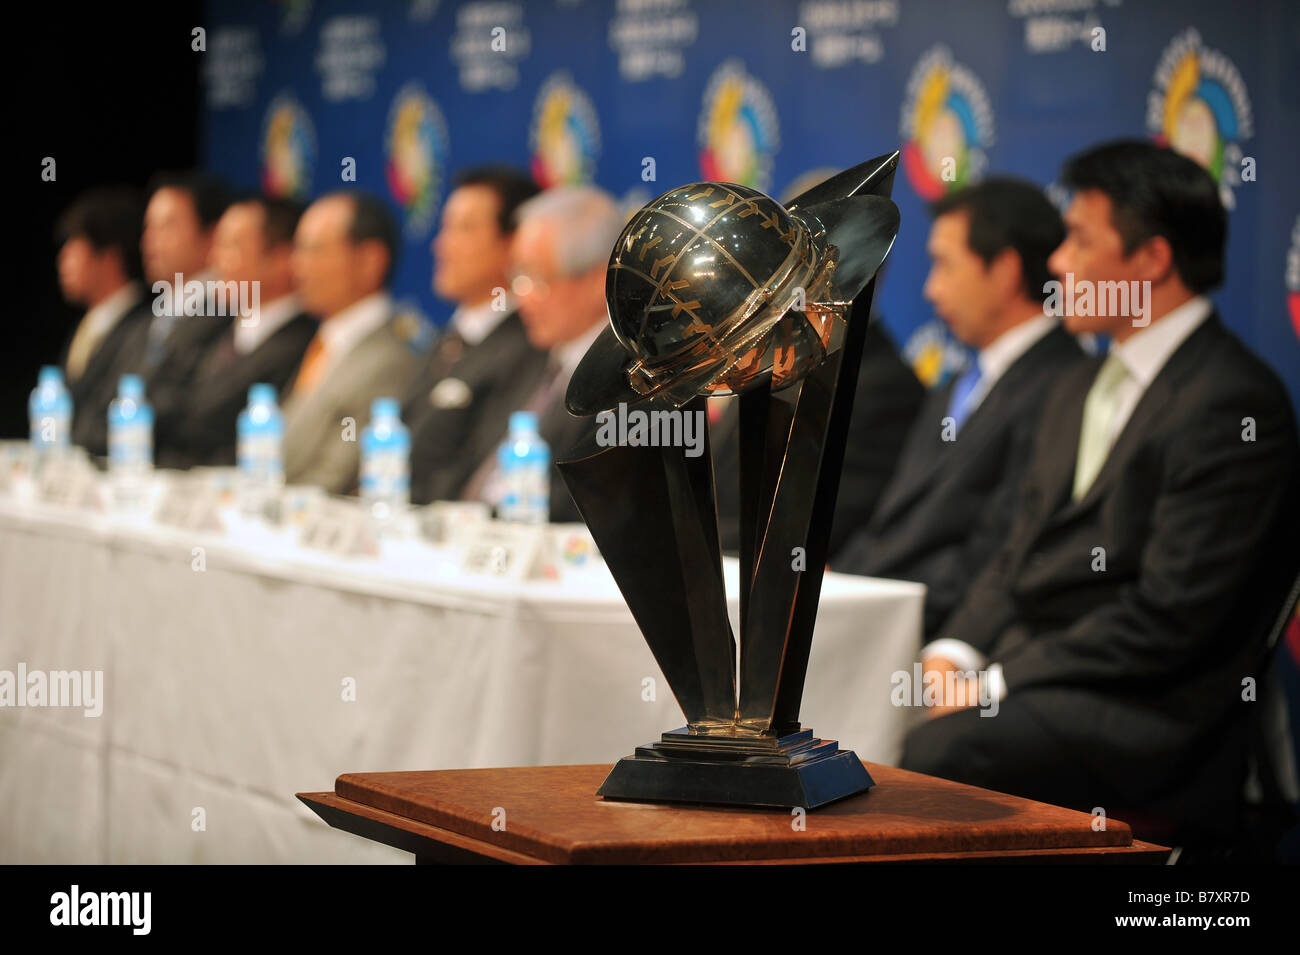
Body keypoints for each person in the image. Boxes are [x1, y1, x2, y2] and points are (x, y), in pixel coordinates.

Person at [899, 141, 1300, 846]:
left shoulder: (1234, 403)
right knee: (883, 706)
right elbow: (1013, 548)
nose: (1057, 263)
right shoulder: (1074, 384)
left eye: (1080, 240)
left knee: (945, 749)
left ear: (1150, 259)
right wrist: (955, 650)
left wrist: (996, 682)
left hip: (1154, 715)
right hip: (1041, 680)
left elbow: (1167, 617)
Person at [834, 178, 1083, 637]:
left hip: (934, 635)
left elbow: (997, 549)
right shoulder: (955, 386)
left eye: (945, 266)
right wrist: (835, 585)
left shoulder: (1064, 387)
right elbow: (889, 524)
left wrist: (870, 607)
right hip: (870, 611)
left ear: (1005, 270)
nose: (931, 289)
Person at [460, 186, 625, 522]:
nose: (523, 297)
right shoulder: (523, 358)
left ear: (598, 281)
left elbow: (581, 511)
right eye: (517, 276)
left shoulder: (627, 383)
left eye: (537, 277)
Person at [403, 165, 547, 504]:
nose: (441, 245)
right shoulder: (450, 338)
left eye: (463, 229)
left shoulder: (529, 345)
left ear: (513, 243)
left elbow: (474, 471)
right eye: (444, 227)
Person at [156, 196, 316, 468]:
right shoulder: (209, 328)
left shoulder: (303, 347)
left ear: (280, 259)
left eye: (231, 246)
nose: (214, 259)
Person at [282, 191, 425, 494]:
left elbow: (335, 480)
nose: (297, 266)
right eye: (298, 250)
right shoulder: (322, 341)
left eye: (315, 250)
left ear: (370, 261)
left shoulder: (391, 360)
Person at [54, 187, 152, 457]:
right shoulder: (83, 328)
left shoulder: (144, 327)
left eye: (74, 248)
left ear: (109, 258)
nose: (63, 261)